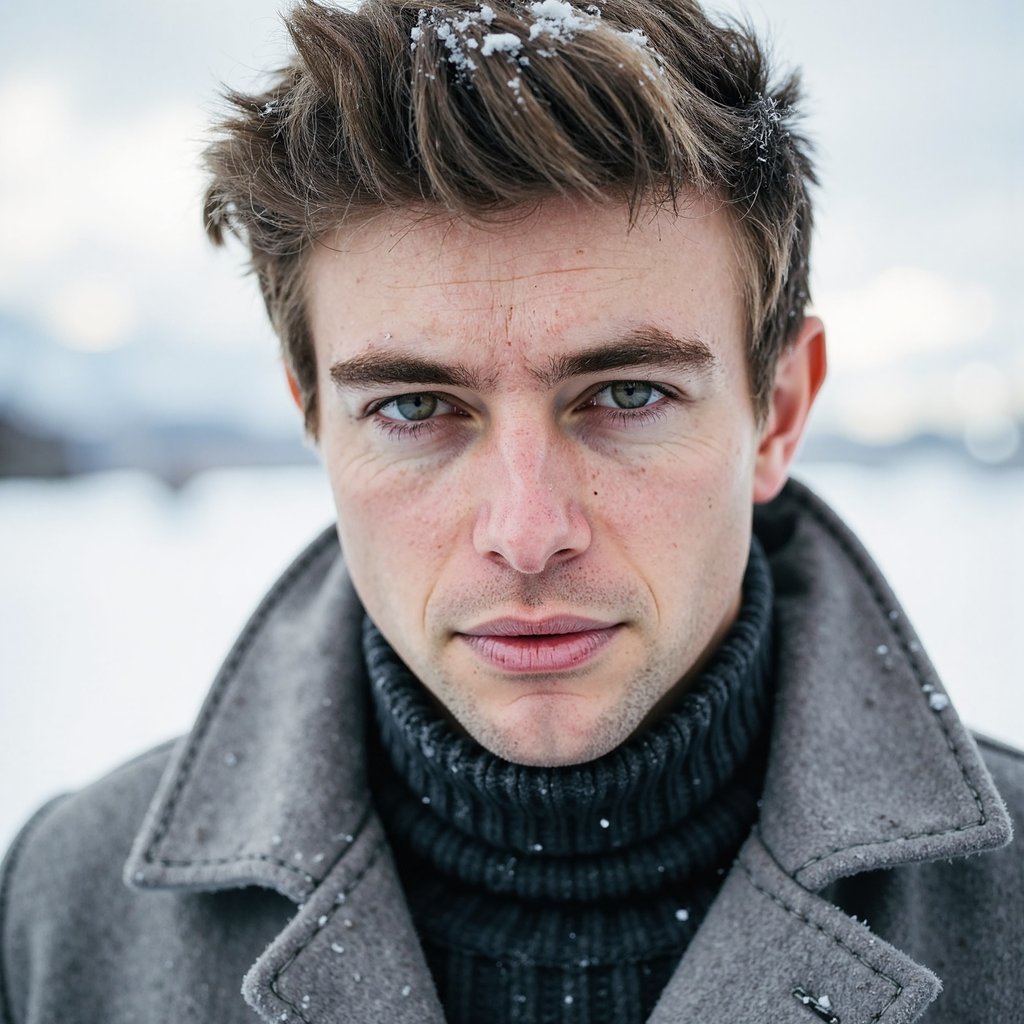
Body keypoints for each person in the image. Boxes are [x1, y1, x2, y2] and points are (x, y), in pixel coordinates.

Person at [1, 1, 1021, 1022]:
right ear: (313, 418)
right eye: (413, 408)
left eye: (626, 395)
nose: (527, 534)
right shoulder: (64, 908)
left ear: (778, 412)